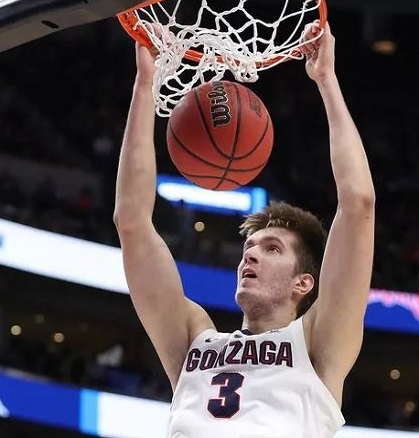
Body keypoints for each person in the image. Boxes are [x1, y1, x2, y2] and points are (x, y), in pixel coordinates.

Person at [113, 21, 375, 437]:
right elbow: (132, 223)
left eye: (271, 249)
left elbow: (358, 204)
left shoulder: (316, 345)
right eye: (249, 246)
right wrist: (145, 83)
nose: (249, 254)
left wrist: (326, 80)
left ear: (304, 283)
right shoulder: (193, 338)